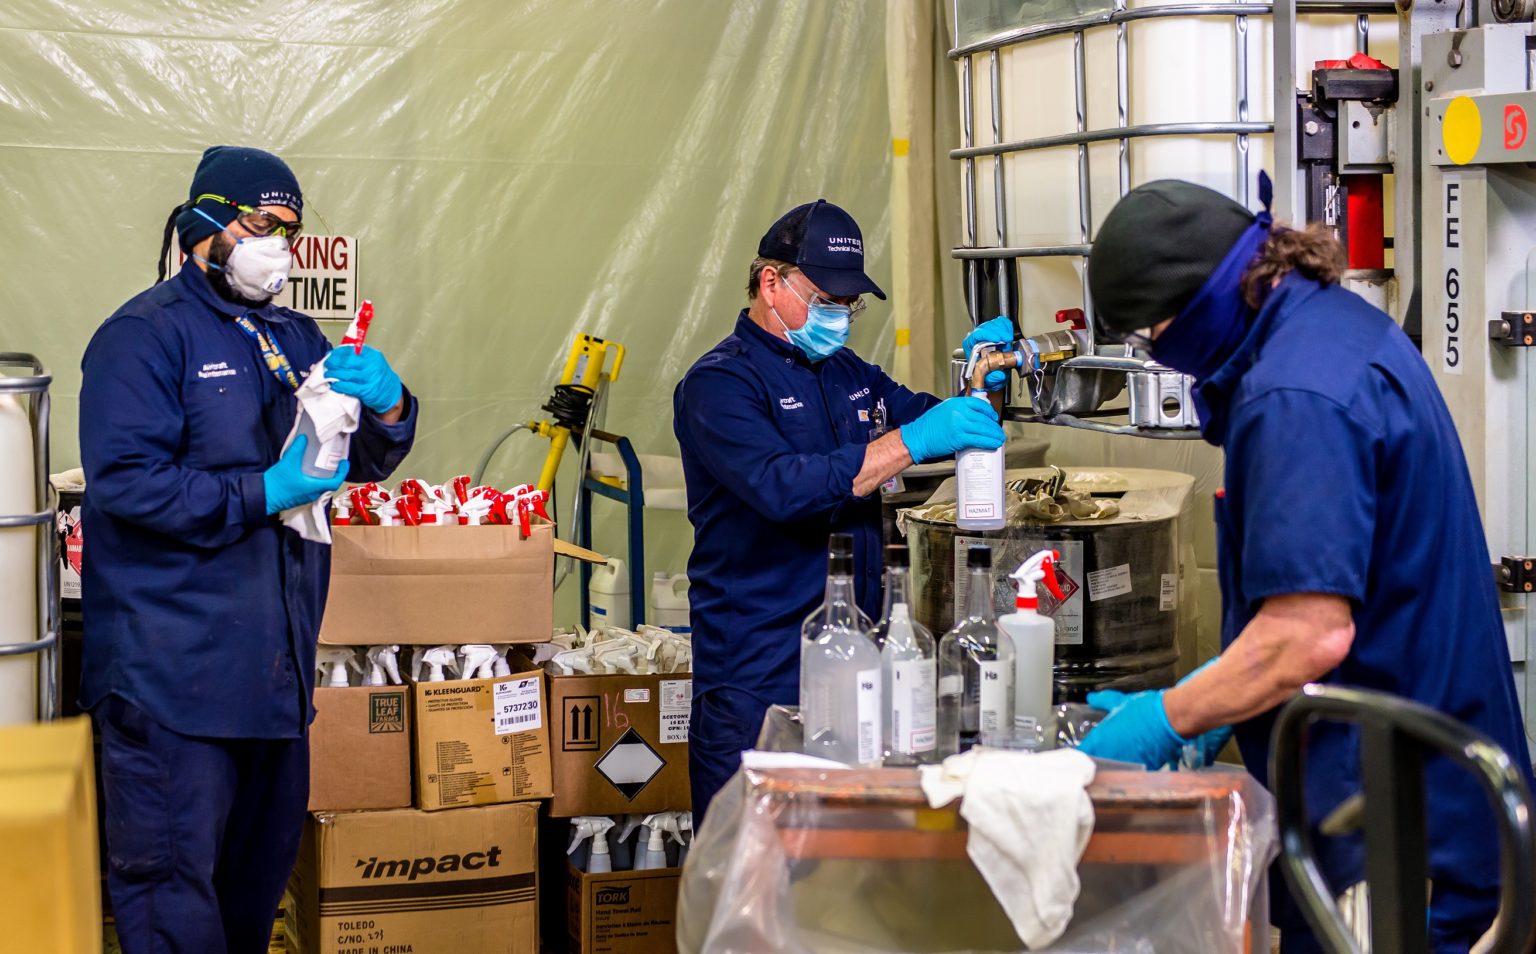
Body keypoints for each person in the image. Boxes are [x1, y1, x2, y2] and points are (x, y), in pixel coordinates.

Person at [1077, 175, 1533, 953]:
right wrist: (1211, 700)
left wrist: (1169, 718)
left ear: (1189, 307)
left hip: (1397, 844)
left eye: (1151, 336)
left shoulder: (1292, 396)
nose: (1160, 356)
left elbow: (1305, 638)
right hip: (1419, 805)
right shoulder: (1334, 329)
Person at [78, 146, 418, 954]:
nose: (281, 246)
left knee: (251, 902)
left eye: (291, 231)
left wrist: (391, 405)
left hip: (274, 680)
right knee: (171, 904)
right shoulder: (143, 338)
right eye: (263, 225)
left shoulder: (295, 334)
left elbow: (359, 458)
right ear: (205, 222)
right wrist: (263, 493)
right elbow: (127, 485)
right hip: (172, 686)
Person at [673, 199, 1012, 818]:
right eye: (825, 298)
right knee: (750, 864)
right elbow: (783, 487)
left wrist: (981, 379)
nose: (839, 315)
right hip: (758, 672)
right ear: (770, 282)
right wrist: (909, 443)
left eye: (848, 303)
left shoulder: (845, 371)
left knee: (838, 863)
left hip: (854, 656)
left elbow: (926, 415)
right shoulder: (719, 385)